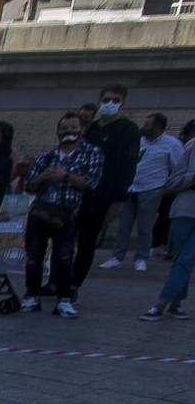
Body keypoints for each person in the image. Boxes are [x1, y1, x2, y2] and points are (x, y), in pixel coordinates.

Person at [21, 113, 104, 317]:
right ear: (58, 132)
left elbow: (91, 183)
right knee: (33, 258)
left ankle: (64, 300)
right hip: (40, 212)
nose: (69, 132)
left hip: (66, 215)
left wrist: (65, 175)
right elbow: (28, 186)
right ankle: (32, 297)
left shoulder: (91, 153)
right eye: (64, 128)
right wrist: (42, 176)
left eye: (73, 128)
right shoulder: (46, 156)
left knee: (64, 258)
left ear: (81, 130)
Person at [79, 85, 141, 286]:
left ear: (123, 102)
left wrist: (118, 200)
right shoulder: (93, 129)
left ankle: (73, 284)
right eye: (106, 100)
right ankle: (56, 281)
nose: (110, 104)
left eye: (115, 100)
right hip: (81, 191)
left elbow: (128, 165)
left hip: (105, 195)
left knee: (87, 242)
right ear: (99, 101)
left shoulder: (128, 130)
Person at [108, 114, 179, 273]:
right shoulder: (138, 140)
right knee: (123, 225)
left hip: (152, 189)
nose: (144, 127)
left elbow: (177, 168)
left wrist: (167, 187)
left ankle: (141, 258)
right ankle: (116, 257)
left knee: (144, 227)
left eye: (148, 125)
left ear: (159, 127)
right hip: (131, 188)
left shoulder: (171, 144)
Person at [141, 129, 195, 322]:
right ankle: (176, 305)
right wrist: (192, 178)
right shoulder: (191, 146)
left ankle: (160, 304)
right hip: (184, 211)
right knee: (181, 260)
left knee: (186, 259)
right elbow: (173, 181)